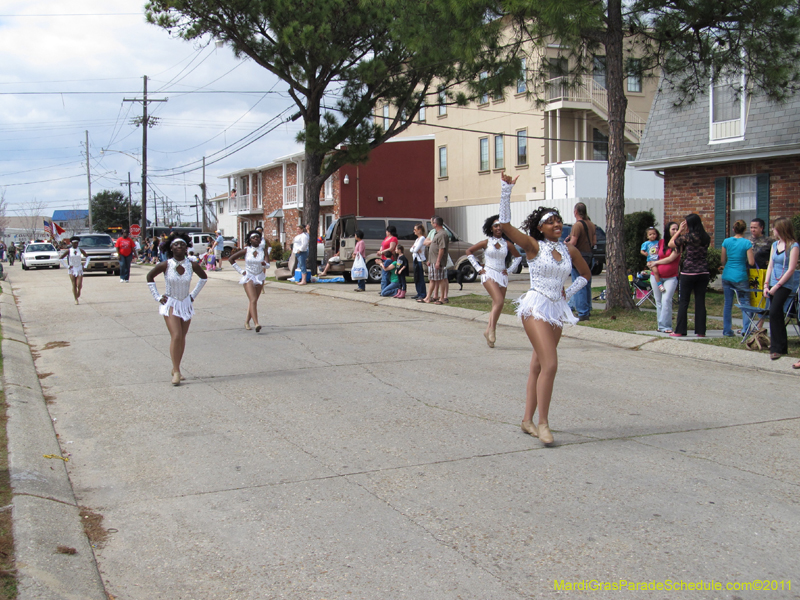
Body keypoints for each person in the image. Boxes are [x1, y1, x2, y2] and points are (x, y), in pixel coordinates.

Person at [497, 172, 590, 446]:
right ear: (541, 228)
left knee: (538, 364)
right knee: (550, 364)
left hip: (557, 310)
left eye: (559, 220)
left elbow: (584, 276)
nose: (557, 224)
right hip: (535, 307)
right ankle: (543, 423)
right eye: (550, 222)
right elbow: (505, 224)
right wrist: (506, 190)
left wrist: (568, 291)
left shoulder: (569, 250)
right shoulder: (532, 246)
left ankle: (527, 420)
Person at [146, 232, 208, 385]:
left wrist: (193, 295)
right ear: (171, 248)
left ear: (186, 247)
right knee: (176, 335)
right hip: (171, 303)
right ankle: (177, 372)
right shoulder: (166, 264)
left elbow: (204, 277)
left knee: (182, 337)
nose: (179, 246)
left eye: (182, 244)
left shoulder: (192, 265)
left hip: (186, 303)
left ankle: (176, 368)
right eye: (176, 244)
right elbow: (149, 277)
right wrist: (158, 297)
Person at [466, 214, 523, 347]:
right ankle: (492, 329)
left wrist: (509, 270)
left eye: (500, 226)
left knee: (497, 305)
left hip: (502, 275)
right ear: (491, 228)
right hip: (488, 273)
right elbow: (468, 251)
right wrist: (478, 268)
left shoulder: (507, 244)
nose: (498, 228)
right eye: (496, 225)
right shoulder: (486, 242)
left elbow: (518, 257)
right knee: (499, 301)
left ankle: (487, 332)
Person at [763, 217, 799, 361]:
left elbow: (791, 269)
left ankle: (776, 348)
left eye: (775, 228)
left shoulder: (793, 246)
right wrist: (766, 284)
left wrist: (777, 286)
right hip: (772, 282)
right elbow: (770, 265)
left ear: (781, 229)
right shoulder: (775, 245)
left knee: (774, 312)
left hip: (784, 285)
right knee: (776, 314)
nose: (773, 230)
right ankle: (782, 346)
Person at [669, 214, 711, 338]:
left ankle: (680, 330)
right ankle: (701, 331)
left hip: (688, 272)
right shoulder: (706, 237)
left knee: (684, 301)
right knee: (700, 301)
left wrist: (679, 231)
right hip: (703, 271)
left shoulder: (687, 237)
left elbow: (671, 243)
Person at [720, 220, 755, 337]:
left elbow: (722, 260)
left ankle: (727, 330)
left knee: (728, 303)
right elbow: (751, 262)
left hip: (727, 274)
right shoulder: (747, 243)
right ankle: (745, 329)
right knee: (745, 302)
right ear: (745, 230)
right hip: (740, 275)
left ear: (733, 229)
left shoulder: (726, 241)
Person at [229, 230, 269, 332]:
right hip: (249, 277)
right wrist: (241, 271)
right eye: (253, 237)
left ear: (260, 240)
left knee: (253, 301)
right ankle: (256, 323)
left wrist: (265, 264)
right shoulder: (246, 250)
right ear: (250, 240)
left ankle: (247, 321)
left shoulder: (263, 250)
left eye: (258, 237)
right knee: (253, 300)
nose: (256, 239)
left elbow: (268, 265)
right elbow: (231, 259)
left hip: (259, 276)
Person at [646, 222, 681, 333]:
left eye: (677, 229)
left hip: (671, 277)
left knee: (666, 300)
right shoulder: (660, 242)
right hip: (656, 277)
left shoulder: (679, 244)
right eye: (673, 229)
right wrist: (650, 263)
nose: (675, 231)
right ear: (668, 230)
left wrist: (656, 262)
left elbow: (670, 259)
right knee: (659, 301)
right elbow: (652, 254)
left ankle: (667, 326)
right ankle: (661, 326)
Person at [565, 202, 596, 321]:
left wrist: (565, 245)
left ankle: (582, 312)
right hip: (589, 256)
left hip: (579, 256)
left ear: (576, 211)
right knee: (587, 283)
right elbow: (594, 242)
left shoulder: (577, 226)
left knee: (578, 284)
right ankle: (586, 308)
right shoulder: (591, 224)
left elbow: (573, 243)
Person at [421, 216, 449, 304]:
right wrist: (429, 260)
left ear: (435, 224)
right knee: (432, 279)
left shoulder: (442, 234)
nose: (432, 224)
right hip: (432, 261)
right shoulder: (437, 233)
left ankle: (442, 298)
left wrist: (438, 261)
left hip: (437, 261)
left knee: (441, 279)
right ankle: (428, 297)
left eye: (432, 223)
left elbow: (441, 249)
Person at [59, 236, 89, 305]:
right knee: (74, 284)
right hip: (72, 269)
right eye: (74, 243)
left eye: (77, 243)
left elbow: (88, 257)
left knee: (79, 284)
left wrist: (85, 266)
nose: (76, 244)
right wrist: (67, 266)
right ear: (72, 243)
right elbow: (60, 258)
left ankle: (79, 291)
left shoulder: (80, 250)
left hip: (79, 268)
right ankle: (76, 299)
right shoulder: (69, 250)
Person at [375, 226, 398, 294]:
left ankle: (385, 289)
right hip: (383, 257)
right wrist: (379, 251)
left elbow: (391, 248)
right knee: (384, 274)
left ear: (389, 232)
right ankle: (384, 289)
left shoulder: (393, 238)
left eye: (387, 231)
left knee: (385, 274)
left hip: (388, 258)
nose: (386, 232)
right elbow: (382, 246)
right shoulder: (386, 238)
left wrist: (382, 252)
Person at [641, 227, 665, 292]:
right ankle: (659, 284)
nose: (652, 236)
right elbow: (641, 251)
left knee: (660, 271)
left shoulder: (658, 242)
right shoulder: (646, 243)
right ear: (647, 236)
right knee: (655, 272)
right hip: (651, 260)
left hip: (658, 259)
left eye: (654, 234)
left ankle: (662, 282)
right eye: (650, 234)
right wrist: (645, 253)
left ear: (656, 235)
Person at [410, 224, 427, 299]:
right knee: (416, 277)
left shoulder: (422, 238)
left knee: (420, 277)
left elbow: (415, 249)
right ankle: (418, 292)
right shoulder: (417, 239)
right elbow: (411, 249)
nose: (414, 231)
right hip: (415, 259)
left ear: (419, 230)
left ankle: (422, 293)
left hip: (420, 260)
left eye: (415, 230)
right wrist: (414, 249)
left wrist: (414, 249)